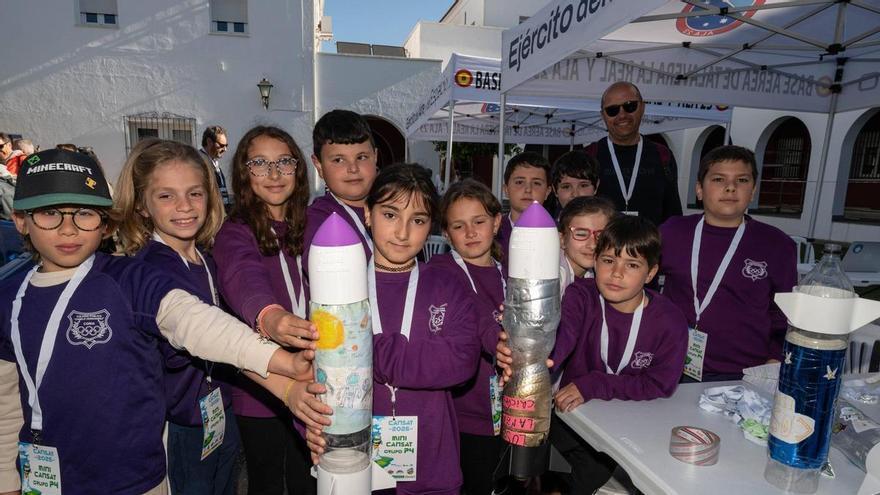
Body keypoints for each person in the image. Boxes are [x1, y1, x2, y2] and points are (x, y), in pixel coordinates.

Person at [0, 148, 313, 494]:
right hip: (54, 478)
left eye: (84, 214)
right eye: (50, 214)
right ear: (21, 220)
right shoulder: (8, 299)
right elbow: (6, 400)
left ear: (104, 222)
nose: (69, 229)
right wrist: (6, 480)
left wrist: (284, 367)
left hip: (137, 477)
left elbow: (197, 323)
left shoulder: (130, 278)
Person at [306, 163, 481, 495]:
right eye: (390, 215)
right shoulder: (339, 288)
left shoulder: (446, 283)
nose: (403, 232)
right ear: (368, 214)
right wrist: (309, 426)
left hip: (433, 470)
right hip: (356, 467)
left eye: (418, 220)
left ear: (430, 226)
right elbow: (314, 373)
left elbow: (461, 362)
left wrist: (365, 349)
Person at [499, 215, 687, 494]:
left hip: (633, 427)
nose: (617, 273)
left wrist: (594, 384)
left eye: (632, 265)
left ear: (651, 273)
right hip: (575, 420)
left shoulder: (670, 320)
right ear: (595, 261)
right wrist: (527, 347)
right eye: (608, 260)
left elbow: (661, 384)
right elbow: (561, 338)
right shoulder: (581, 296)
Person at [115, 139, 239, 494]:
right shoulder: (148, 271)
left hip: (219, 408)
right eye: (166, 196)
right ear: (142, 205)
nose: (184, 206)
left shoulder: (207, 260)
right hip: (180, 421)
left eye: (194, 194)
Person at [212, 126, 319, 495]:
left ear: (298, 169)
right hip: (261, 384)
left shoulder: (312, 223)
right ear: (244, 172)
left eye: (284, 162)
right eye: (259, 163)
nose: (274, 174)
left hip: (315, 375)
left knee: (309, 478)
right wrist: (269, 315)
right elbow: (242, 274)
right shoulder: (235, 231)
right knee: (267, 481)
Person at [659, 145, 797, 382]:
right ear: (699, 189)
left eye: (742, 180)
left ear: (753, 191)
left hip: (743, 374)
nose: (730, 187)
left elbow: (785, 312)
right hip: (669, 364)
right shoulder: (672, 232)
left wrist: (775, 357)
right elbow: (639, 281)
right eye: (718, 179)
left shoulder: (777, 244)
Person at [430, 179, 506, 495]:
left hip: (506, 412)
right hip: (460, 416)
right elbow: (470, 311)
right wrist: (499, 339)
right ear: (446, 234)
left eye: (479, 222)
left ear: (496, 222)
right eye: (459, 226)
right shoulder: (440, 270)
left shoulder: (510, 272)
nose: (471, 232)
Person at [584, 82, 682, 226]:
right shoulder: (589, 157)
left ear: (642, 107)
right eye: (612, 110)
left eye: (630, 106)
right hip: (601, 240)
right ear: (603, 115)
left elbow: (673, 213)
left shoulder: (663, 155)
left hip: (650, 241)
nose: (622, 115)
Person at [304, 109, 378, 271]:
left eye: (362, 157)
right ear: (319, 165)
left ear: (375, 157)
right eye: (338, 160)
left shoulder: (394, 208)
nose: (353, 168)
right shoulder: (317, 220)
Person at [497, 152, 552, 264]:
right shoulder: (492, 233)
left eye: (536, 183)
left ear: (547, 192)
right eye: (519, 182)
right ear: (506, 189)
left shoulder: (559, 234)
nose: (528, 189)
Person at [558, 196, 617, 296]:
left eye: (600, 236)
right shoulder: (553, 277)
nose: (593, 245)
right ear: (562, 240)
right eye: (581, 234)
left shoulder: (596, 275)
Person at [200, 126, 231, 208]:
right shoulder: (199, 162)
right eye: (221, 145)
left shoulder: (213, 161)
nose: (225, 149)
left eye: (226, 145)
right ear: (209, 142)